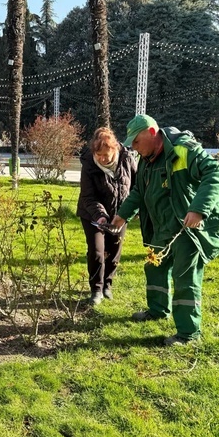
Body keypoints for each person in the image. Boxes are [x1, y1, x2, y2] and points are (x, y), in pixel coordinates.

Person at [110, 114, 219, 346]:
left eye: (136, 142)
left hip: (187, 229)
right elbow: (138, 191)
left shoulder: (184, 150)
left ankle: (188, 334)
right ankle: (158, 310)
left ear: (151, 133)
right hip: (162, 227)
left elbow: (216, 174)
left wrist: (198, 209)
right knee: (154, 266)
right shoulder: (147, 160)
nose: (134, 149)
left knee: (184, 277)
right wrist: (122, 215)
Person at [76, 127, 138, 306]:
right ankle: (96, 289)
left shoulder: (127, 158)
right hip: (92, 214)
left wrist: (127, 212)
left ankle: (107, 285)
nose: (102, 159)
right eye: (99, 155)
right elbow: (88, 197)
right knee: (97, 250)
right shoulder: (89, 163)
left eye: (106, 154)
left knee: (114, 250)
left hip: (120, 213)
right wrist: (101, 216)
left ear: (115, 149)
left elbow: (136, 186)